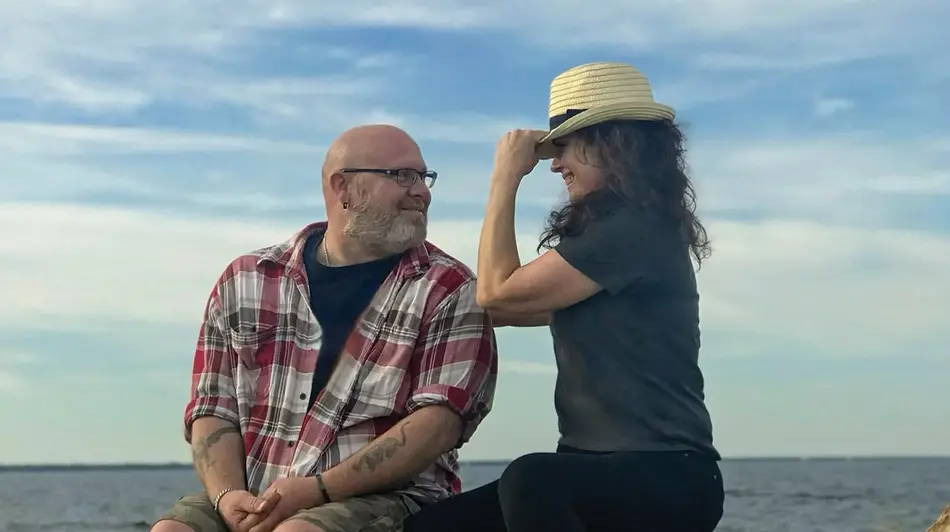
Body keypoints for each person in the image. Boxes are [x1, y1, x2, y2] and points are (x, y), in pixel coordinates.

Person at [400, 62, 724, 532]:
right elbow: (508, 310)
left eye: (565, 146)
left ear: (612, 143)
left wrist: (505, 178)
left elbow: (496, 295)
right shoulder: (620, 238)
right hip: (595, 467)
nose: (554, 164)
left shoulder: (632, 231)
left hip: (669, 472)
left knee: (531, 480)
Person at [150, 124, 498, 532]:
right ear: (343, 188)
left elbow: (438, 424)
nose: (423, 192)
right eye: (402, 176)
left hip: (390, 499)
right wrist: (227, 497)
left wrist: (316, 491)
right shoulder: (246, 280)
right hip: (252, 492)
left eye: (424, 177)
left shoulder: (448, 289)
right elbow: (213, 409)